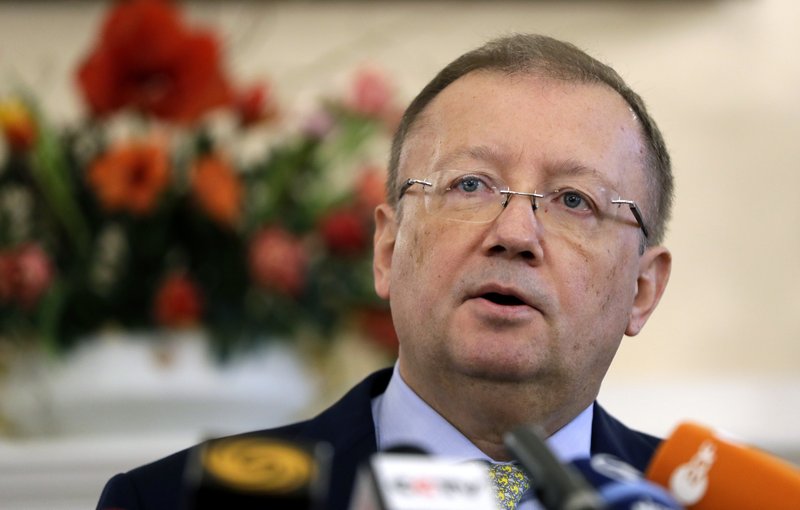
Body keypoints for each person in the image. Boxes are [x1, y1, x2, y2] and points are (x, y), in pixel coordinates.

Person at [97, 33, 673, 510]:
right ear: (387, 250)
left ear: (642, 292)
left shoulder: (705, 500)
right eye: (469, 185)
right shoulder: (168, 502)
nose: (516, 234)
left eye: (574, 200)